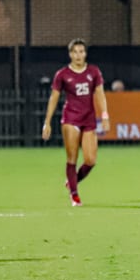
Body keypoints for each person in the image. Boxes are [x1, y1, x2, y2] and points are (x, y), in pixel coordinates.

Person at [42, 38, 110, 207]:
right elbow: (54, 98)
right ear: (70, 54)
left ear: (85, 54)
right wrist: (47, 122)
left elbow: (100, 94)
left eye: (81, 51)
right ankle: (74, 195)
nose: (79, 55)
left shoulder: (94, 72)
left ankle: (72, 181)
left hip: (88, 118)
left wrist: (105, 115)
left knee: (90, 160)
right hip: (70, 118)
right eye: (75, 52)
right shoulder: (62, 75)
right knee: (72, 157)